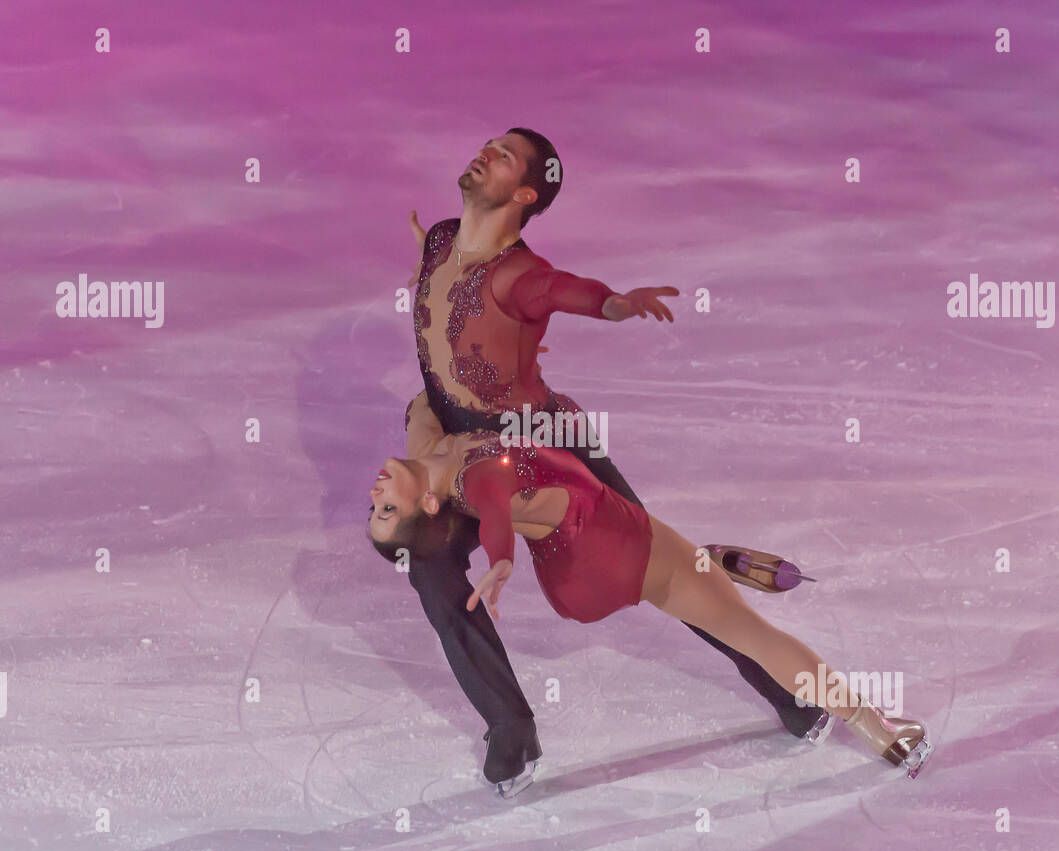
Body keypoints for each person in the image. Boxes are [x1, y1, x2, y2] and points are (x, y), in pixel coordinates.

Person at [399, 127, 828, 789]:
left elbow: (566, 290)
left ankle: (786, 691)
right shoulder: (438, 240)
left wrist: (616, 304)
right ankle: (511, 729)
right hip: (464, 453)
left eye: (504, 155)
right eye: (490, 142)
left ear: (524, 193)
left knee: (665, 571)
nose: (486, 150)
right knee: (430, 568)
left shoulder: (520, 275)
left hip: (548, 446)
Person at [368, 413, 934, 796]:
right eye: (386, 511)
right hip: (608, 548)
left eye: (377, 508)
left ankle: (703, 565)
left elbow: (427, 393)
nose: (374, 495)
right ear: (431, 504)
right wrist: (500, 559)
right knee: (751, 631)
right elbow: (494, 505)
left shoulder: (430, 443)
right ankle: (876, 727)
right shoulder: (471, 479)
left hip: (575, 566)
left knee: (692, 578)